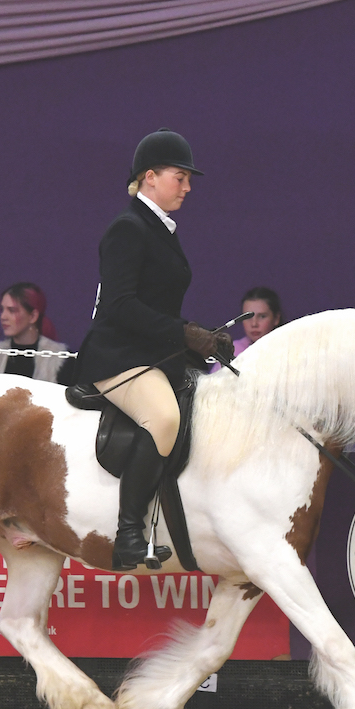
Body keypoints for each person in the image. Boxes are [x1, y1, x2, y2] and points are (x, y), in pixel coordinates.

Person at [73, 129, 227, 570]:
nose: (188, 186)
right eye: (180, 177)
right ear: (150, 177)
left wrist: (196, 338)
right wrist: (183, 333)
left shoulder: (158, 230)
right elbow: (120, 307)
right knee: (163, 417)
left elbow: (156, 305)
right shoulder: (127, 229)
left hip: (152, 355)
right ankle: (128, 532)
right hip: (117, 356)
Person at [0, 282, 71, 383]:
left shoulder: (58, 358)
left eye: (12, 310)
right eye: (2, 310)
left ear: (33, 316)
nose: (3, 317)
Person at [211, 286, 282, 372]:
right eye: (248, 317)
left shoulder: (288, 350)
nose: (254, 324)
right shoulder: (232, 350)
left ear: (276, 319)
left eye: (262, 316)